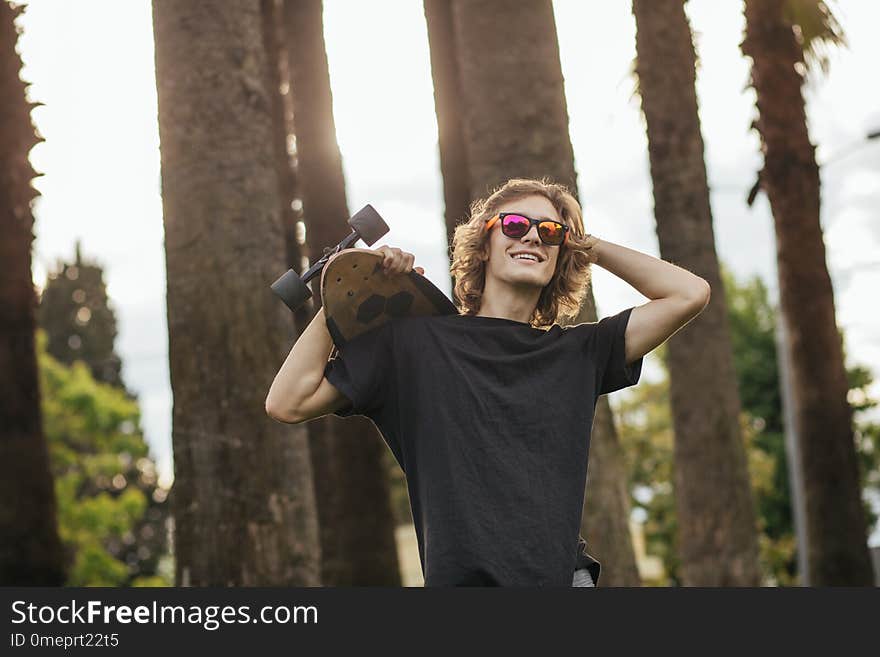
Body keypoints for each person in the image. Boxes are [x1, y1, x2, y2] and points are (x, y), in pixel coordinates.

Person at [266, 177, 711, 587]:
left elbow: (689, 294)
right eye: (516, 225)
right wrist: (344, 288)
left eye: (550, 233)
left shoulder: (581, 352)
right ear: (483, 243)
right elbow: (287, 402)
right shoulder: (414, 345)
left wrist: (587, 244)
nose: (533, 235)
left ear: (561, 256)